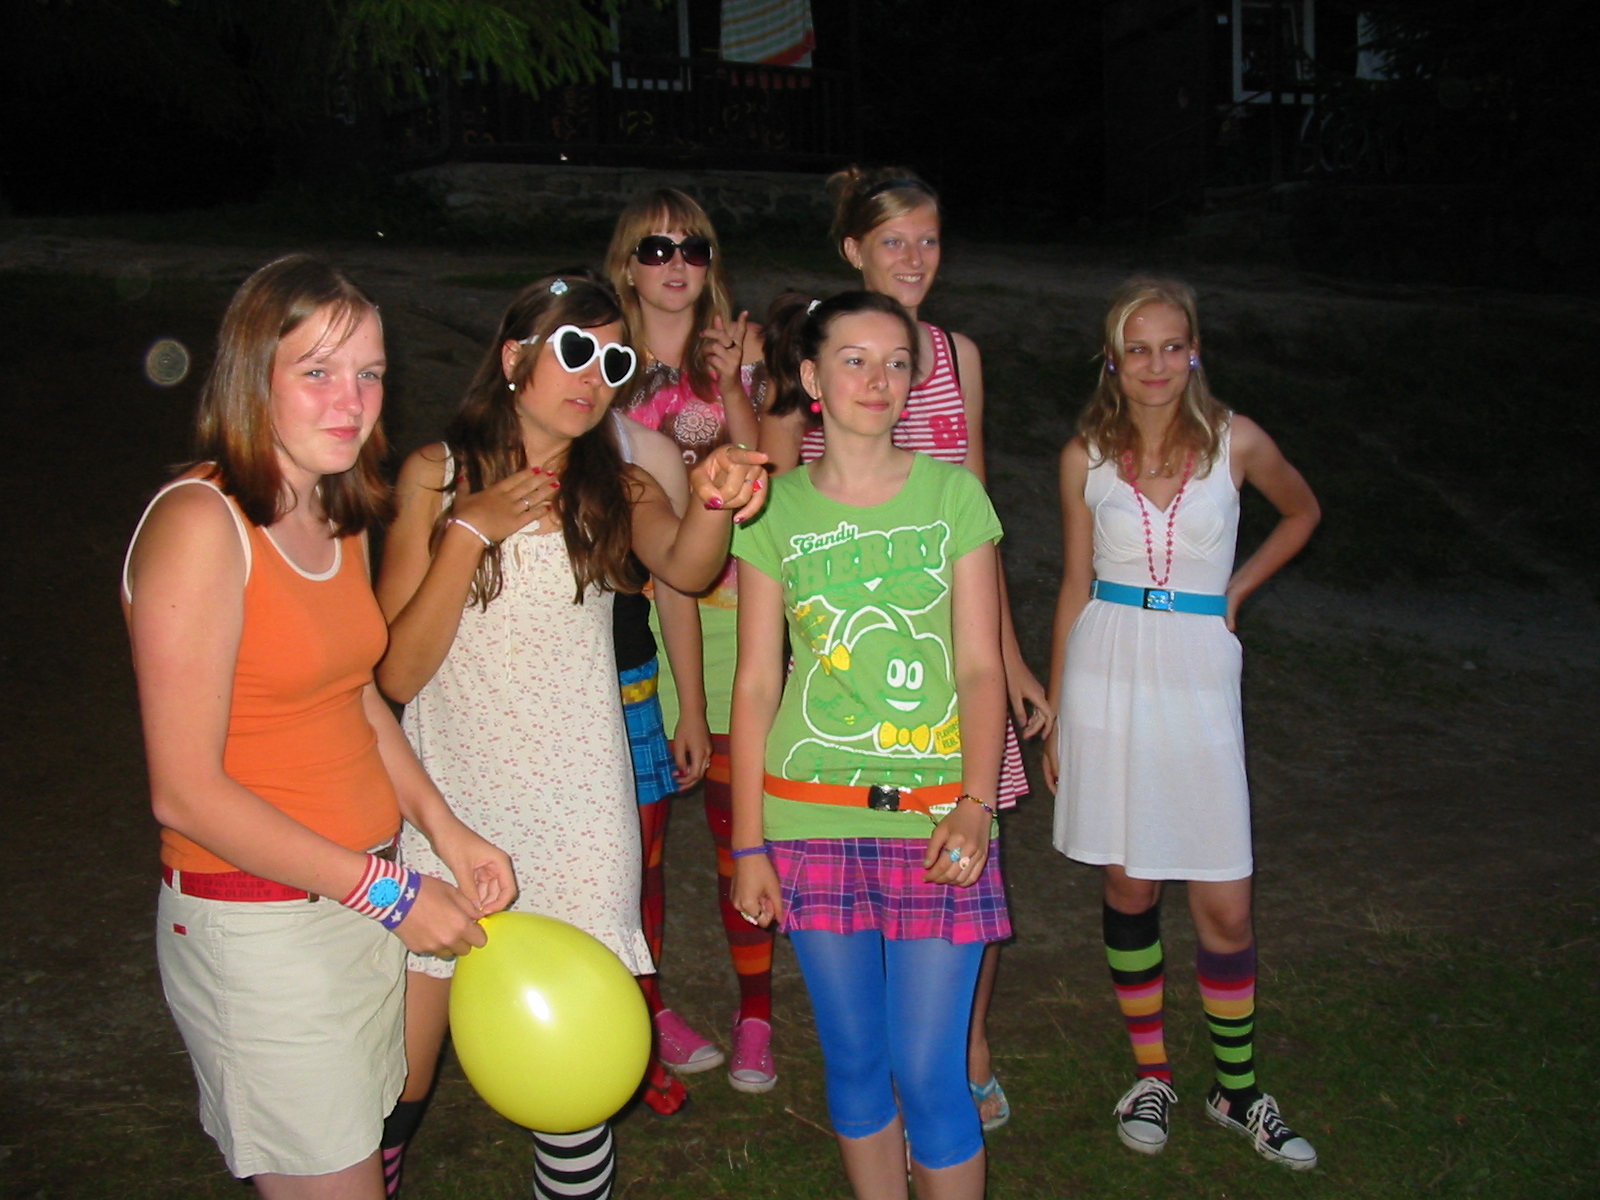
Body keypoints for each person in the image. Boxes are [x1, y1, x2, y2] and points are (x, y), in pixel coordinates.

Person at [122, 254, 516, 1200]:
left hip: (350, 904)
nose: (352, 402)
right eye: (317, 372)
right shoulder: (201, 525)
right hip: (260, 928)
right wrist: (388, 893)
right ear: (252, 376)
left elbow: (356, 697)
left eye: (369, 373)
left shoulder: (336, 508)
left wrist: (445, 829)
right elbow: (184, 791)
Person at [374, 273, 765, 1200]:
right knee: (397, 1075)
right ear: (516, 357)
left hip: (582, 810)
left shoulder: (617, 483)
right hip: (449, 803)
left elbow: (686, 566)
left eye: (615, 361)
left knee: (572, 1078)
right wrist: (469, 531)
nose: (595, 376)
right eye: (577, 350)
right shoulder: (436, 474)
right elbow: (394, 674)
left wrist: (712, 502)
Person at [761, 166, 1050, 1130]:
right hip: (852, 651)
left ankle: (964, 1046)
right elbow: (769, 486)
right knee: (862, 979)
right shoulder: (817, 345)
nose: (915, 258)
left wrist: (1010, 659)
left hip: (951, 645)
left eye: (929, 239)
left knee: (972, 843)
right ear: (854, 250)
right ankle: (910, 1065)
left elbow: (976, 508)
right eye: (894, 241)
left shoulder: (957, 353)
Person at [731, 291, 1010, 1200]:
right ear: (811, 379)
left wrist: (975, 801)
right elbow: (757, 684)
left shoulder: (953, 496)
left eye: (896, 362)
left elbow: (980, 667)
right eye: (854, 360)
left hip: (936, 821)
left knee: (929, 1068)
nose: (877, 379)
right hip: (808, 819)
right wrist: (747, 845)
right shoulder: (774, 510)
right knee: (854, 1060)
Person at [1043, 278, 1322, 1169]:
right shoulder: (1085, 455)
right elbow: (1075, 584)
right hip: (1108, 670)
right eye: (1138, 348)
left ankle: (1236, 1089)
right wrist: (1057, 713)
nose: (1156, 365)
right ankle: (1153, 1075)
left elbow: (1302, 510)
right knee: (1130, 887)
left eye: (1172, 346)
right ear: (1112, 359)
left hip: (1199, 673)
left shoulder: (1238, 440)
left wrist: (1236, 590)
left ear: (1194, 351)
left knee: (1225, 904)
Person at [604, 188, 778, 1094]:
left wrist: (738, 382)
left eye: (695, 248)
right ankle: (648, 1011)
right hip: (635, 623)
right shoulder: (599, 364)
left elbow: (769, 474)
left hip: (735, 616)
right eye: (657, 247)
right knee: (634, 840)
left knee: (738, 827)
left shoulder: (734, 355)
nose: (677, 264)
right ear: (627, 263)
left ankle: (757, 1016)